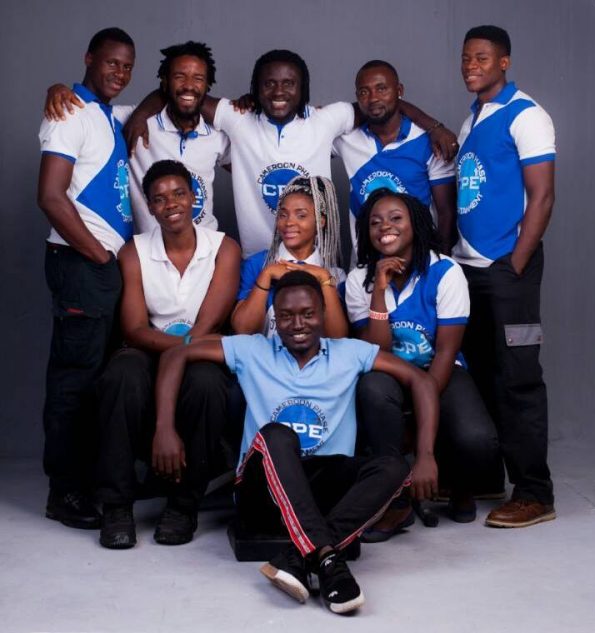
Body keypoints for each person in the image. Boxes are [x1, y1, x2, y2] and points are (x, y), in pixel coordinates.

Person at [154, 270, 439, 614]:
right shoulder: (251, 349)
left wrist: (425, 454)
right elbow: (175, 355)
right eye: (286, 316)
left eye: (308, 313)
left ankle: (303, 556)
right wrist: (164, 428)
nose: (298, 324)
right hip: (262, 494)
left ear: (323, 314)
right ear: (275, 318)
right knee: (277, 435)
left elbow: (421, 381)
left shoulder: (349, 353)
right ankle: (330, 561)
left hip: (321, 494)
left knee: (394, 466)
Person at [119, 49, 458, 256]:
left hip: (319, 260)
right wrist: (139, 115)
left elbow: (381, 106)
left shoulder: (327, 120)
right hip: (257, 260)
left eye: (289, 84)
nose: (278, 91)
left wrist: (433, 126)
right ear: (256, 88)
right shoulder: (238, 119)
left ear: (302, 87)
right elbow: (183, 93)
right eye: (268, 84)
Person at [96, 160, 240, 549]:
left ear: (193, 197)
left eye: (178, 193)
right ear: (149, 206)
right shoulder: (134, 252)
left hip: (200, 349)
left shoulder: (223, 248)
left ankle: (182, 506)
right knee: (122, 374)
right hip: (150, 347)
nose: (171, 203)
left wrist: (187, 351)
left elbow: (208, 326)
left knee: (208, 383)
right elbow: (135, 329)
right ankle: (117, 505)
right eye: (159, 198)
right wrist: (180, 350)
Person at [346, 189, 501, 538]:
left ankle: (454, 482)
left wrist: (423, 448)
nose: (385, 226)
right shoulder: (359, 279)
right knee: (371, 388)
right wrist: (379, 290)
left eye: (395, 218)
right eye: (375, 222)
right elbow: (376, 353)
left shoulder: (445, 271)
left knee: (478, 440)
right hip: (388, 372)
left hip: (439, 370)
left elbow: (445, 352)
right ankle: (396, 501)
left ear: (415, 224)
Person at [453, 25, 556, 528]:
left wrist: (516, 263)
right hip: (470, 269)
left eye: (482, 58)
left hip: (507, 268)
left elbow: (543, 196)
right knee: (483, 374)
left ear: (504, 62)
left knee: (518, 379)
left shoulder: (526, 114)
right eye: (466, 58)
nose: (471, 66)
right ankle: (491, 476)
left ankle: (535, 493)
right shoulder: (473, 118)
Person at [37, 27, 136, 530]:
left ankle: (89, 479)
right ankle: (64, 492)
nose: (120, 73)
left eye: (127, 67)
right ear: (89, 58)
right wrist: (98, 255)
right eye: (111, 62)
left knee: (98, 375)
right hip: (81, 263)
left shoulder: (104, 115)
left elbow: (155, 103)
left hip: (100, 268)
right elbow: (51, 196)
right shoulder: (70, 111)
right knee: (74, 379)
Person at [44, 41, 230, 234]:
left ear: (207, 85)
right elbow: (87, 111)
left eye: (198, 78)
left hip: (207, 245)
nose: (189, 85)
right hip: (149, 248)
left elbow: (247, 165)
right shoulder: (133, 121)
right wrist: (57, 90)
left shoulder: (217, 136)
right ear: (165, 82)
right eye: (179, 77)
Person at [334, 60, 456, 253]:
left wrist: (440, 262)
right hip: (365, 262)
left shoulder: (428, 142)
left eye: (382, 89)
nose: (373, 98)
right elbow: (309, 143)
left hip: (418, 260)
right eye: (364, 92)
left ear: (399, 91)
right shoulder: (346, 138)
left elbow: (446, 212)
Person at [232, 175, 347, 339]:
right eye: (283, 215)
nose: (289, 223)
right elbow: (243, 330)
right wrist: (266, 275)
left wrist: (324, 278)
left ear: (320, 222)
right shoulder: (257, 264)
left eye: (301, 215)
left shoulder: (334, 274)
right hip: (265, 354)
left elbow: (337, 338)